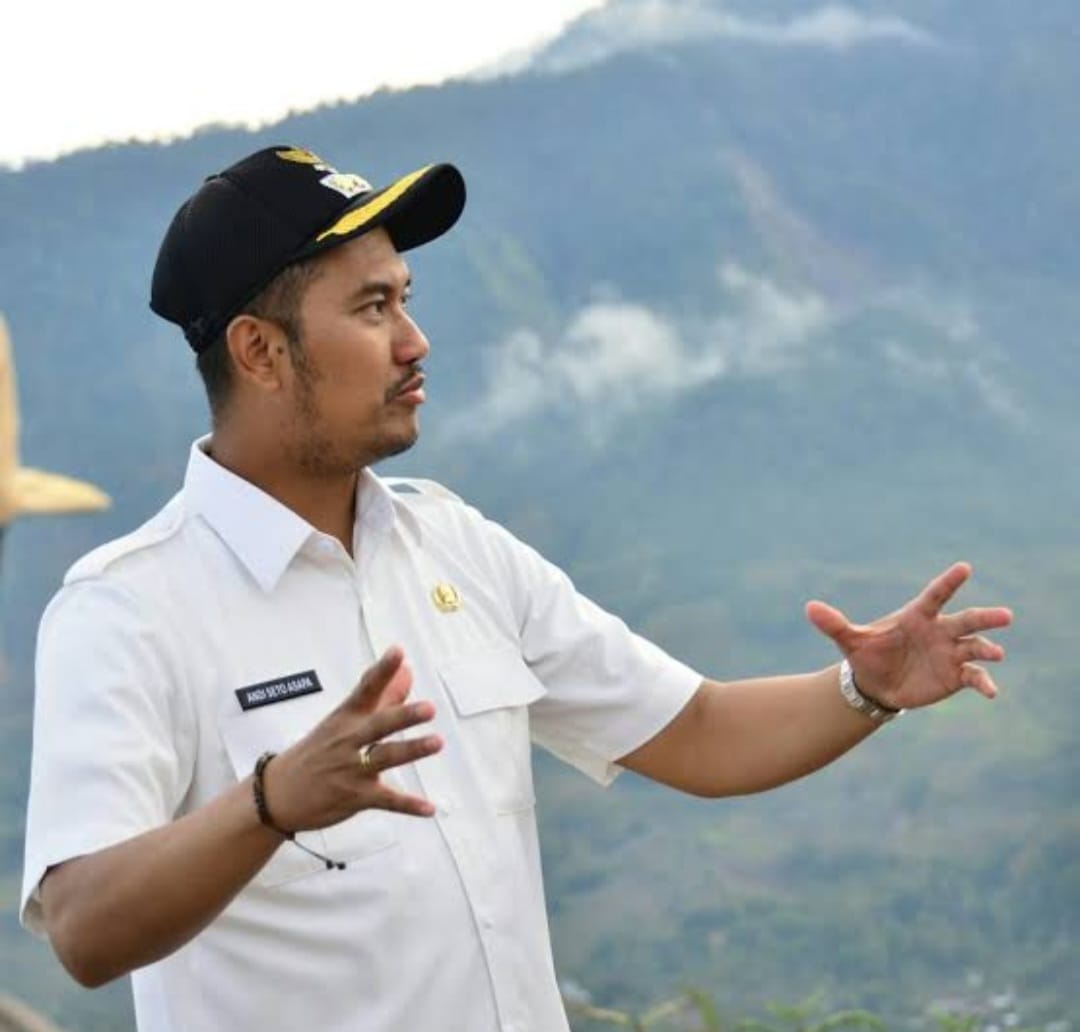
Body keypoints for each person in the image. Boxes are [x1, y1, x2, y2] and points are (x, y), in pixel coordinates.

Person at [21, 145, 1012, 1032]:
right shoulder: (130, 609)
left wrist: (866, 689)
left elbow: (701, 732)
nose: (415, 341)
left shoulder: (454, 544)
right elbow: (83, 927)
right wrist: (271, 804)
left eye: (406, 299)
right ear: (260, 351)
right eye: (372, 308)